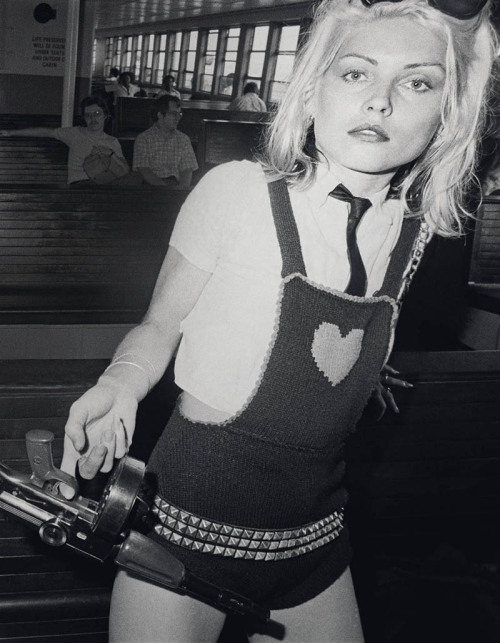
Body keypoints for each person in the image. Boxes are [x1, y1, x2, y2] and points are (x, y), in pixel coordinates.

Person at [61, 1, 495, 641]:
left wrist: (364, 376)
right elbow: (159, 325)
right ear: (313, 91)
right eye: (355, 73)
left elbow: (331, 353)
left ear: (447, 113)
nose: (380, 102)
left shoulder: (417, 230)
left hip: (314, 545)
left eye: (417, 82)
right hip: (183, 533)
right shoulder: (236, 191)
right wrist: (122, 382)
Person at [0, 95, 130, 185]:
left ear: (105, 115)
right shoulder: (74, 133)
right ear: (84, 118)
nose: (93, 119)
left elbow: (125, 169)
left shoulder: (112, 142)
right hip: (79, 185)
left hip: (103, 184)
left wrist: (110, 153)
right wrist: (10, 132)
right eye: (88, 115)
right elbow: (45, 132)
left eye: (97, 114)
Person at [132, 94, 198, 188]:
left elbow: (187, 169)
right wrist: (165, 190)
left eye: (179, 114)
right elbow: (144, 170)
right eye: (173, 114)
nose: (178, 118)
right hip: (152, 187)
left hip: (177, 186)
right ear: (160, 115)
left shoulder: (184, 139)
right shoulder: (143, 139)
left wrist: (182, 189)